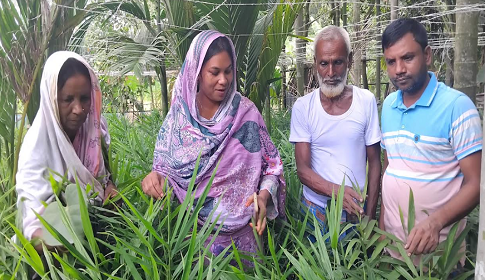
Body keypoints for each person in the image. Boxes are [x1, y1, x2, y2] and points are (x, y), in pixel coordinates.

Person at [141, 30, 285, 257]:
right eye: (214, 72)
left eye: (228, 71)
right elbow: (163, 174)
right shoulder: (180, 119)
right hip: (195, 243)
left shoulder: (246, 113)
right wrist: (153, 180)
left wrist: (264, 197)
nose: (224, 80)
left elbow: (272, 167)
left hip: (247, 239)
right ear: (197, 73)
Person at [379, 18, 481, 259]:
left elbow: (476, 184)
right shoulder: (388, 106)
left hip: (440, 255)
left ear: (427, 55)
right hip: (392, 251)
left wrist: (435, 223)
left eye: (407, 58)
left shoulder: (457, 107)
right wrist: (382, 226)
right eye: (390, 62)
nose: (398, 69)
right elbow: (390, 167)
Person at [16, 51, 118, 249]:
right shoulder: (35, 148)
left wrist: (110, 189)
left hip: (98, 239)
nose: (78, 109)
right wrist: (64, 244)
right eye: (67, 99)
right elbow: (31, 224)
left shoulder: (93, 130)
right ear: (52, 99)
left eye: (84, 98)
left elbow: (105, 178)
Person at [289, 26, 381, 234]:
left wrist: (370, 215)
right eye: (324, 63)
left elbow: (375, 163)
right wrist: (339, 193)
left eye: (337, 62)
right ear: (315, 63)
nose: (330, 73)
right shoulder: (303, 108)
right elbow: (303, 171)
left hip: (357, 213)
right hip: (315, 213)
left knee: (359, 266)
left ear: (349, 60)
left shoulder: (365, 101)